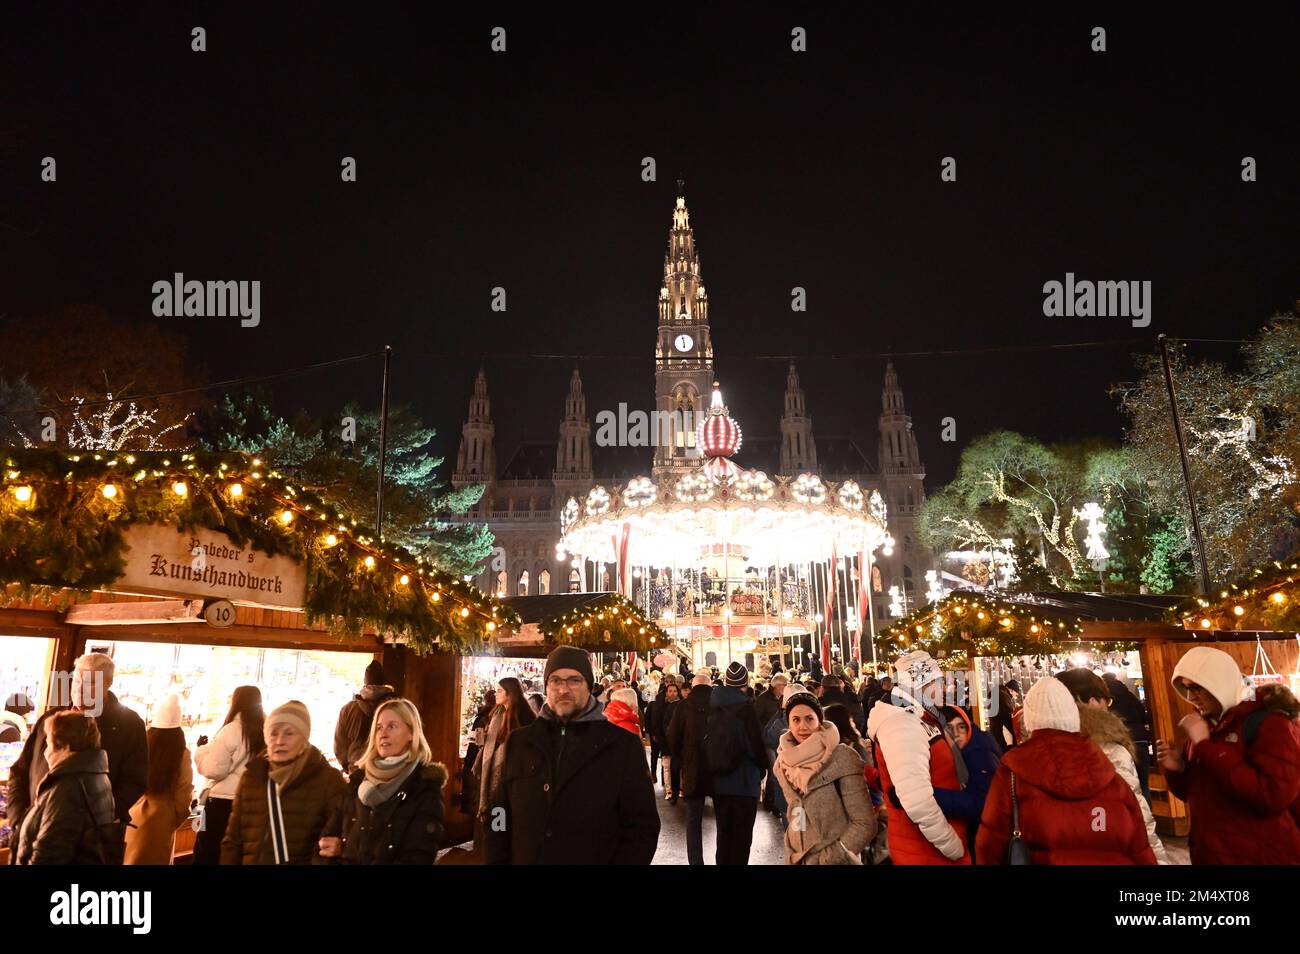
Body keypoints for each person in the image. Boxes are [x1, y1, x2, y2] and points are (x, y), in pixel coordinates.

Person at [485, 646, 660, 864]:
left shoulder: (622, 747)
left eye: (574, 680)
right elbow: (498, 813)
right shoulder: (519, 743)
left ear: (589, 686)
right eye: (555, 680)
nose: (563, 689)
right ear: (547, 686)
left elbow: (643, 827)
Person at [977, 677, 1157, 865]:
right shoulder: (1106, 765)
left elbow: (989, 846)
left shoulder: (1013, 773)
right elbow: (1139, 845)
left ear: (1029, 721)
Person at [1157, 646, 1300, 864]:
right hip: (1212, 854)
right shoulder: (1205, 727)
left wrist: (1207, 747)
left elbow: (1273, 796)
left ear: (1218, 682)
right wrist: (1177, 770)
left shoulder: (1269, 724)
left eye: (1197, 687)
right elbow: (1196, 794)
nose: (1190, 696)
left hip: (1262, 855)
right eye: (1185, 689)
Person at [6, 652, 147, 855]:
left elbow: (135, 781)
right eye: (77, 680)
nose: (80, 688)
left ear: (107, 684)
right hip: (32, 830)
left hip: (91, 842)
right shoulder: (50, 718)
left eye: (90, 683)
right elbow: (20, 771)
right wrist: (19, 819)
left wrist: (97, 819)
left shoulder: (128, 724)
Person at [866, 650, 970, 865]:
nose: (945, 688)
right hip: (926, 850)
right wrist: (953, 846)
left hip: (930, 843)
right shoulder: (902, 723)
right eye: (939, 682)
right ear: (922, 684)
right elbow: (917, 800)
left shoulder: (920, 717)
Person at [1056, 668, 1169, 864]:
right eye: (1106, 701)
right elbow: (1138, 815)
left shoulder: (1044, 750)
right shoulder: (1110, 751)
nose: (1108, 707)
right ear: (1092, 702)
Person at [318, 698, 446, 865]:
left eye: (392, 726)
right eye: (379, 728)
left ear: (411, 733)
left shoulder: (424, 789)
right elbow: (325, 846)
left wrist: (346, 850)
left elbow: (417, 858)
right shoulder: (358, 782)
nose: (383, 733)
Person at [220, 701, 349, 865]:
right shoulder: (252, 777)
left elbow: (338, 843)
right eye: (273, 733)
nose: (279, 741)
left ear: (304, 738)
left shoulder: (329, 781)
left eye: (289, 733)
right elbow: (233, 840)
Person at [774, 691, 876, 864]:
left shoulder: (842, 757)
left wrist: (828, 859)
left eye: (809, 718)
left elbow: (864, 823)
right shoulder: (783, 762)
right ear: (789, 723)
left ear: (819, 720)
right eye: (796, 720)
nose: (803, 726)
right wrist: (790, 852)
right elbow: (794, 812)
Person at [13, 711, 118, 865]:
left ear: (66, 748)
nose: (45, 752)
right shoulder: (96, 776)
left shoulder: (69, 789)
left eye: (48, 745)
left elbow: (49, 856)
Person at [192, 685, 265, 865]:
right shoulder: (265, 731)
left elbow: (214, 770)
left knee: (208, 849)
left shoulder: (231, 730)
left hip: (219, 804)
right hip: (251, 802)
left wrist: (201, 751)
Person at [706, 662, 769, 865]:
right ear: (745, 682)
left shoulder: (713, 706)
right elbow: (754, 746)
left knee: (724, 836)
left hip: (720, 782)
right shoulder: (745, 709)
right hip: (744, 781)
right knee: (741, 840)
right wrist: (762, 768)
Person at [125, 694, 193, 865]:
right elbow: (184, 792)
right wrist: (173, 817)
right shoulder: (181, 753)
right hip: (162, 817)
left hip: (133, 813)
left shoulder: (141, 745)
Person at [931, 704, 1001, 862]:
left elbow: (979, 804)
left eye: (961, 727)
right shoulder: (965, 751)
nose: (956, 734)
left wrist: (928, 795)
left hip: (988, 839)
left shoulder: (980, 752)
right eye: (949, 728)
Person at [667, 671, 715, 864]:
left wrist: (685, 757)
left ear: (693, 687)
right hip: (717, 770)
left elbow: (672, 738)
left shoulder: (683, 706)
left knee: (693, 821)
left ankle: (696, 861)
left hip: (692, 768)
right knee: (722, 818)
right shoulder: (719, 705)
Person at [472, 677, 536, 824]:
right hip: (496, 781)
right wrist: (485, 742)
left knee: (510, 824)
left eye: (500, 691)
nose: (496, 694)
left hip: (514, 779)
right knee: (497, 826)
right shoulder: (496, 715)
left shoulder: (523, 716)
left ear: (510, 693)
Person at [334, 660, 397, 776]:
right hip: (385, 770)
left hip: (356, 768)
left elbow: (339, 744)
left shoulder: (347, 709)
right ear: (383, 682)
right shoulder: (394, 709)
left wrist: (346, 765)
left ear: (365, 681)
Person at [1103, 671, 1154, 801]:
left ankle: (1135, 818)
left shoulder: (1105, 700)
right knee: (1143, 784)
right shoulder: (1129, 695)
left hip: (1122, 742)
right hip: (1140, 740)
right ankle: (1147, 817)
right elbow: (1143, 715)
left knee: (1129, 784)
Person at [755, 673, 789, 814]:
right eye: (784, 685)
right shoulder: (763, 699)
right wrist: (764, 732)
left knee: (780, 769)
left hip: (781, 739)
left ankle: (776, 800)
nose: (786, 688)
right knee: (773, 770)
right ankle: (771, 801)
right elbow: (757, 719)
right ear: (777, 686)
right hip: (768, 739)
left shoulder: (781, 699)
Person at [649, 681, 682, 801]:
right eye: (670, 691)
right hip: (665, 740)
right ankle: (669, 790)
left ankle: (680, 789)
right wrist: (658, 736)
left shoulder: (681, 705)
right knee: (667, 766)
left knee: (678, 766)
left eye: (674, 691)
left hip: (678, 741)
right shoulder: (659, 705)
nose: (672, 693)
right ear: (666, 693)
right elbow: (656, 722)